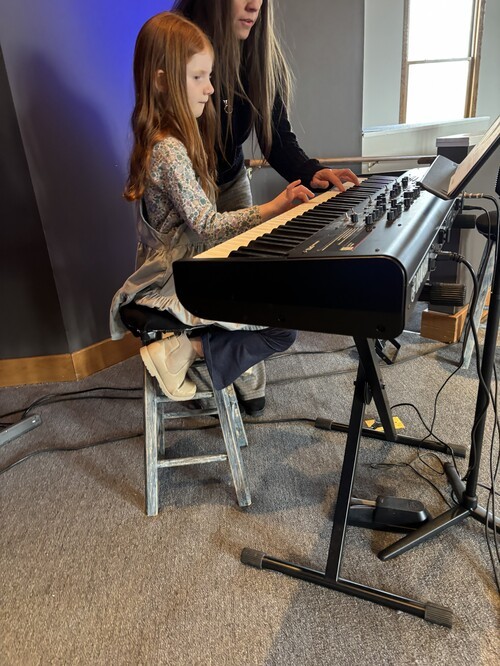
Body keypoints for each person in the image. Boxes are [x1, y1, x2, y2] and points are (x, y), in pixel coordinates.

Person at [109, 11, 314, 408]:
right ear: (163, 81)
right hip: (176, 283)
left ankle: (186, 352)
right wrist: (274, 207)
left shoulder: (168, 140)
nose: (210, 88)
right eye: (198, 77)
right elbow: (206, 225)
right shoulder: (169, 151)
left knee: (278, 306)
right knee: (283, 325)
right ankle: (184, 350)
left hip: (190, 270)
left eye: (210, 75)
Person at [172, 0, 360, 410]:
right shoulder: (178, 43)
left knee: (248, 282)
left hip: (229, 178)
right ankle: (183, 360)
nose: (254, 4)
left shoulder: (258, 55)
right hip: (187, 185)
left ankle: (232, 368)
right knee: (195, 287)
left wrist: (311, 171)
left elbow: (276, 135)